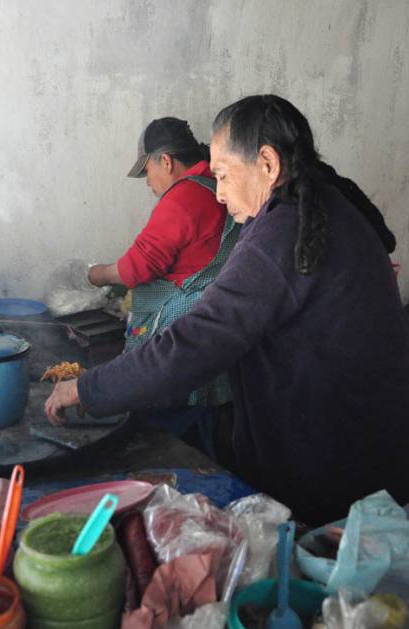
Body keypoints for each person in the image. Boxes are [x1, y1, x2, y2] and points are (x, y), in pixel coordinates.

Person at [46, 95, 409, 526]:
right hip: (368, 443)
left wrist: (87, 389)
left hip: (334, 465)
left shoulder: (283, 231)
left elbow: (196, 342)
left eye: (221, 175)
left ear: (268, 164)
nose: (217, 193)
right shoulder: (325, 204)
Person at [87, 116, 241, 457]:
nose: (147, 182)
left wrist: (95, 275)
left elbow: (136, 268)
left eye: (147, 171)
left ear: (166, 161)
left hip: (183, 324)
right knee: (207, 422)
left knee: (173, 426)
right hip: (218, 322)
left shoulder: (184, 196)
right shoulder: (215, 184)